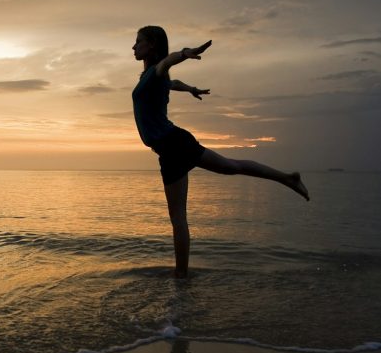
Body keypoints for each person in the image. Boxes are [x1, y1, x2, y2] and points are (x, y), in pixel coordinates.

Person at [132, 25, 309, 278]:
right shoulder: (150, 76)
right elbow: (173, 82)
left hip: (174, 144)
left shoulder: (158, 69)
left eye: (138, 41)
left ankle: (181, 277)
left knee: (180, 217)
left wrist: (185, 53)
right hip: (169, 148)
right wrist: (191, 88)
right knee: (230, 167)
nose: (134, 46)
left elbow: (168, 63)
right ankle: (287, 178)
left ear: (152, 45)